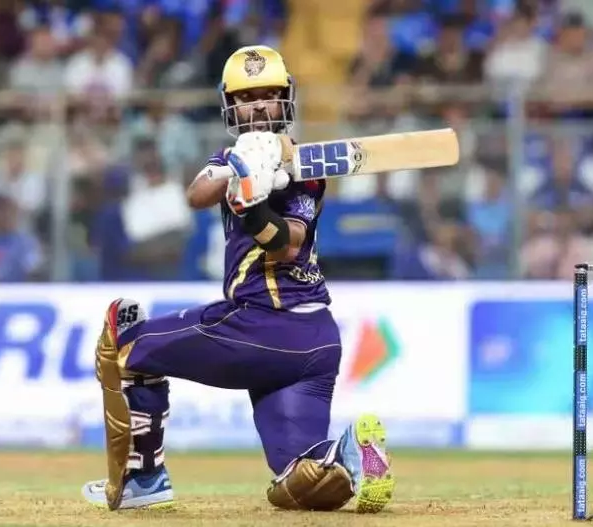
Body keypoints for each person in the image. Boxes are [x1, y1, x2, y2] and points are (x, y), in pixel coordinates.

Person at [80, 46, 394, 513]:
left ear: (285, 99)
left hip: (265, 325)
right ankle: (351, 454)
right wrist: (239, 171)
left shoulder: (305, 170)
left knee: (124, 345)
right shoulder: (228, 157)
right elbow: (196, 195)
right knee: (299, 481)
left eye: (268, 94)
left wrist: (254, 208)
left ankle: (141, 481)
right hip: (314, 344)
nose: (259, 106)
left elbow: (287, 244)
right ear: (231, 106)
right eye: (247, 98)